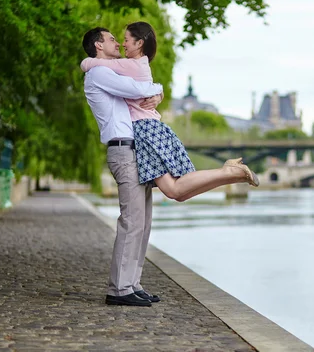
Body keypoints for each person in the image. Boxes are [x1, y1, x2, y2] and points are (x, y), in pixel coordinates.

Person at [81, 21, 259, 203]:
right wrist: (159, 92)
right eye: (117, 40)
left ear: (139, 43)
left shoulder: (127, 65)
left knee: (173, 189)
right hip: (153, 127)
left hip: (144, 129)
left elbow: (94, 64)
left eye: (126, 40)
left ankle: (229, 171)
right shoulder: (139, 65)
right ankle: (231, 174)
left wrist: (86, 62)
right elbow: (138, 86)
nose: (122, 43)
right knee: (180, 192)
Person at [82, 27, 164, 307]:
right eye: (111, 39)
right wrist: (159, 90)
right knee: (132, 221)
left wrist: (156, 96)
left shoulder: (110, 70)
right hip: (122, 149)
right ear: (98, 45)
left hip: (135, 149)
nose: (117, 42)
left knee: (143, 221)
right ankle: (119, 289)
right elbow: (137, 89)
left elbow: (139, 93)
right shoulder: (99, 73)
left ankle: (132, 283)